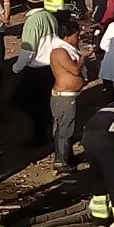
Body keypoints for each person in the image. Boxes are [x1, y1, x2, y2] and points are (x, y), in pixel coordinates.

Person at [12, 0, 58, 145]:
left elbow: (28, 49)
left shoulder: (32, 21)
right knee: (42, 100)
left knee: (20, 99)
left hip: (36, 68)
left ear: (27, 4)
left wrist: (17, 67)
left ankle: (42, 126)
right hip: (50, 66)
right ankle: (42, 134)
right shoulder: (51, 17)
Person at [49, 18, 86, 175]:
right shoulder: (60, 51)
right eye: (76, 35)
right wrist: (83, 58)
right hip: (64, 97)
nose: (78, 38)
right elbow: (75, 70)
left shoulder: (67, 49)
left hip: (68, 95)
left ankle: (67, 157)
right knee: (64, 129)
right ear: (68, 36)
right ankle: (61, 161)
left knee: (67, 128)